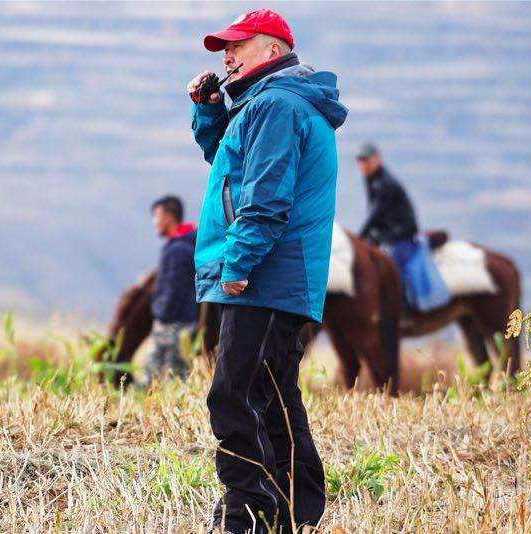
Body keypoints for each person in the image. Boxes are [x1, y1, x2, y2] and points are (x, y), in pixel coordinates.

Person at [187, 9, 348, 533]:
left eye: (238, 46)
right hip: (278, 277)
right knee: (270, 393)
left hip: (264, 276)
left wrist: (237, 266)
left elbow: (267, 198)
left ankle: (249, 516)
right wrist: (211, 111)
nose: (226, 56)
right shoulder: (268, 105)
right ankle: (292, 511)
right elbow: (231, 166)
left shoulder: (277, 105)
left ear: (273, 52)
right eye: (223, 49)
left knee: (233, 396)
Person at [356, 142, 450, 311]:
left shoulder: (385, 183)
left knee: (390, 268)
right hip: (388, 235)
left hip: (401, 237)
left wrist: (358, 239)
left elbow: (375, 215)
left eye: (366, 159)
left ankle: (403, 308)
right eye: (360, 160)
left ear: (377, 159)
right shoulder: (372, 180)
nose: (363, 164)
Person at [143, 195, 198, 385]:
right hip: (181, 319)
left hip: (174, 322)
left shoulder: (179, 250)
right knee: (177, 372)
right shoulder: (182, 245)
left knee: (156, 371)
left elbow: (175, 288)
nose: (154, 222)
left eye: (156, 216)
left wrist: (161, 312)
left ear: (169, 217)